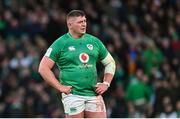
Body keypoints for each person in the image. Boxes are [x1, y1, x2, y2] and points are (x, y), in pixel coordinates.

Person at [38, 10, 116, 118]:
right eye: (80, 22)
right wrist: (59, 87)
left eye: (84, 21)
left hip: (94, 94)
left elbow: (110, 63)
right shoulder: (60, 43)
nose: (84, 24)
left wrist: (106, 83)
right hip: (73, 95)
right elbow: (43, 68)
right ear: (70, 24)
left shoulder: (94, 41)